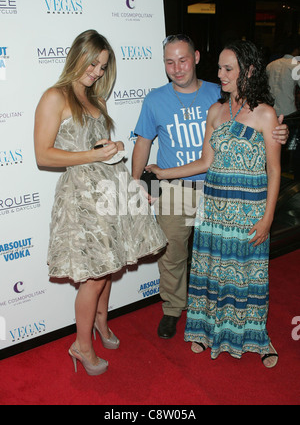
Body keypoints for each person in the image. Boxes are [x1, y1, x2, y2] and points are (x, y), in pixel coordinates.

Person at [132, 34, 288, 340]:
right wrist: (138, 182)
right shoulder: (155, 100)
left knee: (216, 259)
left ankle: (219, 317)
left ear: (197, 58)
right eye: (169, 61)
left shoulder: (221, 92)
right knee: (173, 252)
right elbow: (143, 142)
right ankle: (173, 308)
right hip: (176, 189)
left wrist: (278, 131)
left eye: (183, 59)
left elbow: (258, 117)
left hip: (219, 193)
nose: (177, 68)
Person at [34, 30, 167, 376]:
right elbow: (43, 154)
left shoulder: (98, 100)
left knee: (109, 265)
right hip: (81, 196)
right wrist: (90, 155)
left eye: (103, 66)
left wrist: (113, 149)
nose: (96, 71)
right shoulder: (55, 96)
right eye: (92, 63)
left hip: (111, 189)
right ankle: (81, 346)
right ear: (77, 55)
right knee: (93, 276)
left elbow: (97, 147)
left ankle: (102, 324)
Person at [267, 35, 300, 175]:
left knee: (273, 146)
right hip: (289, 112)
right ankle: (290, 170)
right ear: (296, 50)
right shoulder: (296, 66)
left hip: (272, 113)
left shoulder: (270, 65)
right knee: (291, 145)